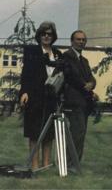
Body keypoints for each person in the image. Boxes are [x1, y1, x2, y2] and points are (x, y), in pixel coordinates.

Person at [19, 21, 62, 171]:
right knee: (34, 133)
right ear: (39, 35)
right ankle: (35, 165)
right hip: (35, 97)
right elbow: (26, 74)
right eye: (43, 33)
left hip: (51, 98)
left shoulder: (57, 53)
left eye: (49, 34)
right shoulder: (32, 51)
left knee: (49, 134)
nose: (46, 36)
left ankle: (46, 164)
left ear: (53, 36)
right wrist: (24, 92)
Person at [62, 30, 96, 163]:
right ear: (72, 41)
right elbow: (72, 76)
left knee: (81, 133)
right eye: (78, 39)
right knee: (76, 133)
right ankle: (70, 163)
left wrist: (92, 84)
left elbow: (91, 77)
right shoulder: (67, 56)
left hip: (84, 101)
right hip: (73, 100)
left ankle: (75, 162)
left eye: (83, 40)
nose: (81, 42)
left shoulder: (84, 60)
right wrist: (85, 85)